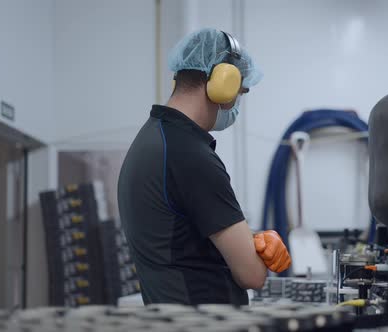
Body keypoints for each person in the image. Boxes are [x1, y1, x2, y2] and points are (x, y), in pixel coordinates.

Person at [118, 28, 291, 306]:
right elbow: (252, 276)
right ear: (224, 83)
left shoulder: (153, 138)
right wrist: (256, 253)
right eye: (240, 92)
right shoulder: (188, 155)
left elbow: (185, 239)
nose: (236, 104)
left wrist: (249, 240)